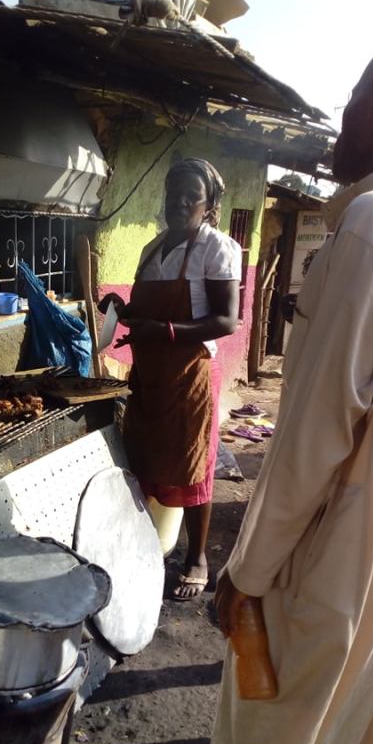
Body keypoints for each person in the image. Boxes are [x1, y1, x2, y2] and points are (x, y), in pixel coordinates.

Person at [198, 56, 373, 744]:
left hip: (332, 552)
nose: (343, 119)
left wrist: (248, 571)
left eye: (359, 101)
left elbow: (311, 436)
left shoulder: (369, 229)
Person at [99, 158, 241, 599]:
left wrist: (165, 332)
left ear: (209, 204)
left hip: (188, 373)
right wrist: (122, 311)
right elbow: (148, 312)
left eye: (190, 196)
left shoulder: (217, 248)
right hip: (150, 374)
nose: (178, 203)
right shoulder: (152, 249)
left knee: (192, 462)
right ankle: (146, 546)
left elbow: (227, 320)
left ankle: (196, 558)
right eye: (172, 194)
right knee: (144, 457)